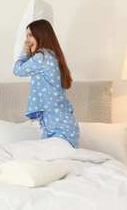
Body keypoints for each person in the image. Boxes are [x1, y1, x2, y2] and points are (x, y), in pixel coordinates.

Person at [13, 19, 80, 148]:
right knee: (50, 164)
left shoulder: (42, 57)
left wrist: (26, 52)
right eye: (26, 36)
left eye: (31, 35)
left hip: (58, 125)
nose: (26, 40)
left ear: (41, 35)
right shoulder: (53, 55)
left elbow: (17, 70)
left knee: (54, 164)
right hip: (59, 123)